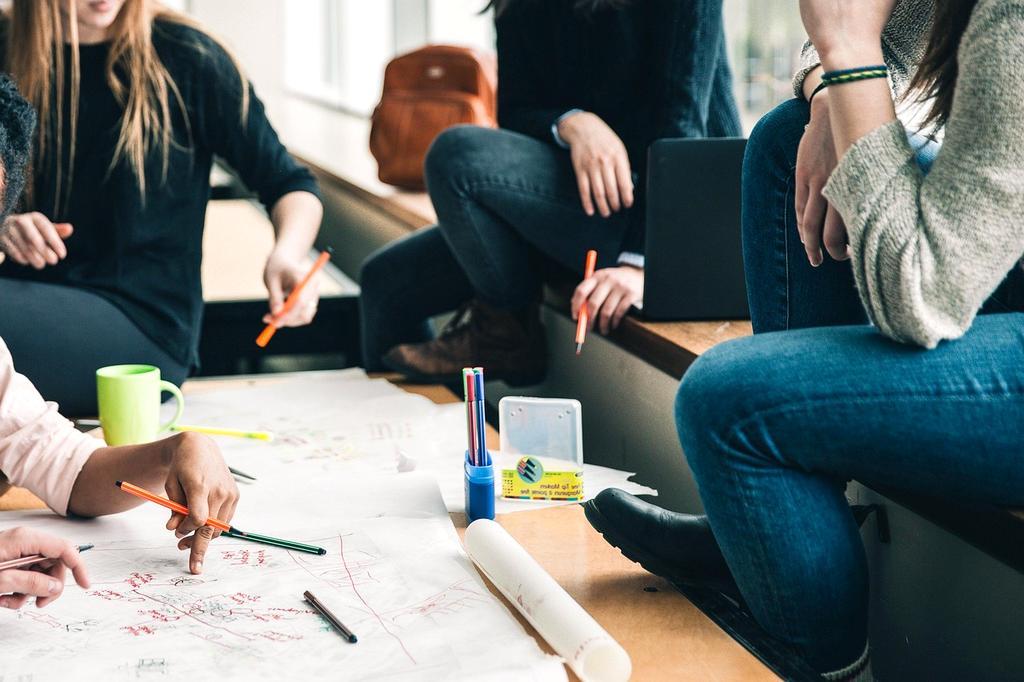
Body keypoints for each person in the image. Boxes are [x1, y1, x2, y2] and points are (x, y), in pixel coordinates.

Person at [584, 0, 1024, 679]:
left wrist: (847, 51)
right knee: (786, 135)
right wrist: (827, 90)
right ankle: (763, 542)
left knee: (728, 403)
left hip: (952, 289)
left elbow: (921, 297)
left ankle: (824, 666)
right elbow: (880, 48)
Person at [360, 0, 741, 383]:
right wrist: (573, 123)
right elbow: (516, 111)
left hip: (678, 218)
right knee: (384, 281)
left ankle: (506, 334)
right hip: (584, 203)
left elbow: (682, 125)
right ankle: (425, 428)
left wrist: (641, 263)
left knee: (456, 153)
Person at [0, 0, 324, 416]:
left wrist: (288, 254)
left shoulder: (188, 55)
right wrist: (4, 222)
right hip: (22, 301)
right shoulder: (6, 46)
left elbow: (290, 184)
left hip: (141, 327)